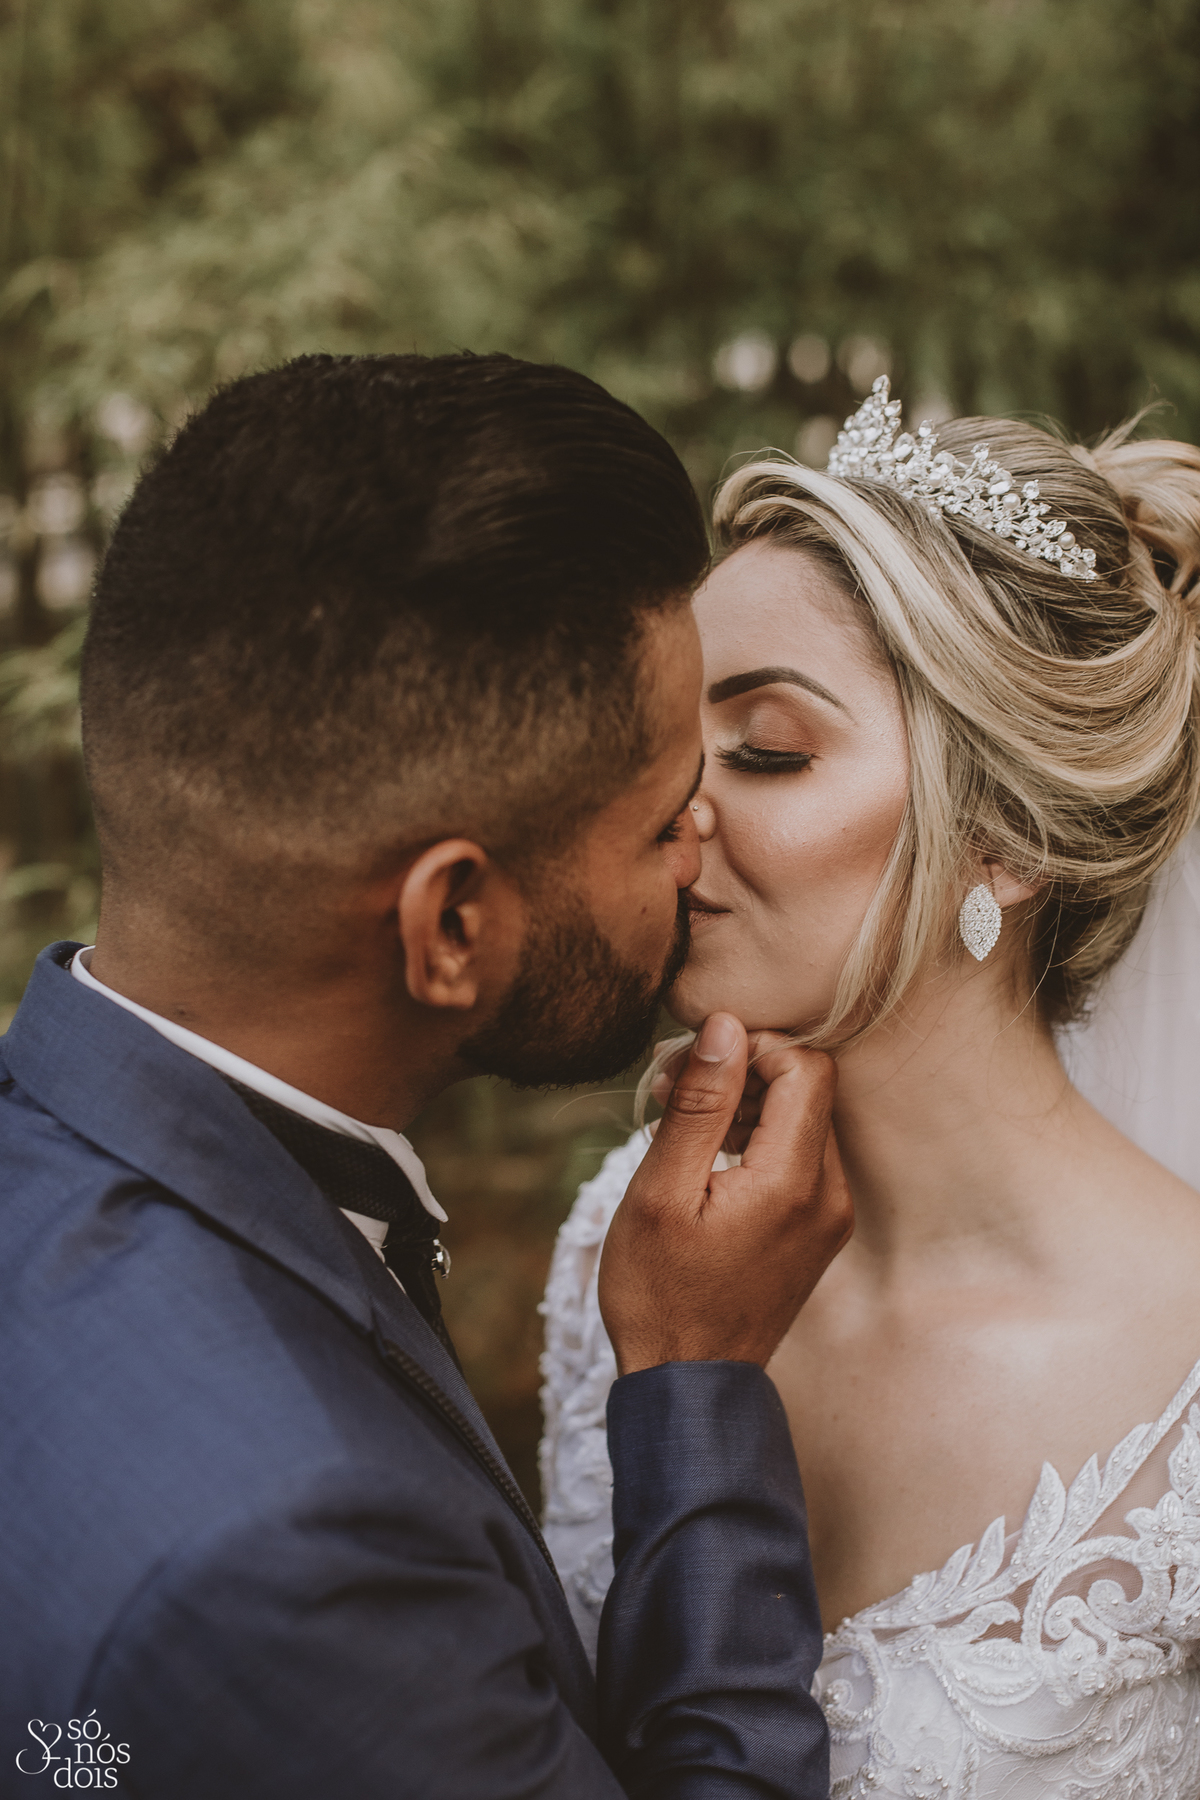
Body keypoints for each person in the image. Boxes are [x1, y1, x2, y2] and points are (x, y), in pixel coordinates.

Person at [0, 353, 853, 1799]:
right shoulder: (292, 1564)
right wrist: (696, 1386)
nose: (705, 843)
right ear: (452, 926)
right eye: (662, 822)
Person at [541, 378, 1200, 1798]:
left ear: (1006, 839)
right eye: (670, 751)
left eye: (767, 751)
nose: (673, 813)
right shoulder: (630, 1238)